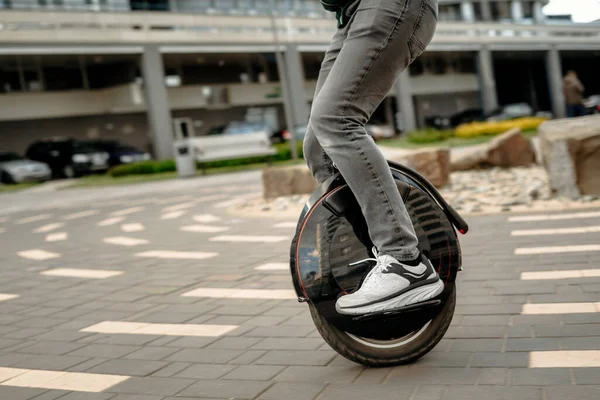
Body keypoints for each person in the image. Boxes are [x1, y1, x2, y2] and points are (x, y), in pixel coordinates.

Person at [303, 0, 443, 316]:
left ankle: (405, 261)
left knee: (336, 119)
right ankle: (378, 254)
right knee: (317, 148)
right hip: (351, 13)